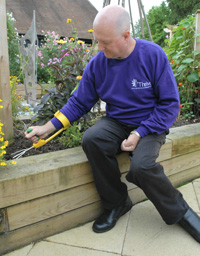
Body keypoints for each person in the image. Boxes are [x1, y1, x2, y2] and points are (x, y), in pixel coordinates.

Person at [25, 5, 200, 242]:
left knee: (141, 167)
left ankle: (182, 213)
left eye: (105, 42)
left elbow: (169, 105)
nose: (99, 47)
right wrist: (47, 128)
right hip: (117, 122)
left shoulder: (153, 55)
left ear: (126, 35)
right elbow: (78, 103)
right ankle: (117, 203)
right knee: (92, 139)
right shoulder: (98, 63)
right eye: (97, 41)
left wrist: (140, 132)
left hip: (150, 125)